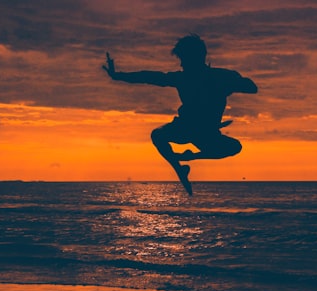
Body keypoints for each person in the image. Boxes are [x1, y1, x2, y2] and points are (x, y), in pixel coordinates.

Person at [103, 34, 258, 195]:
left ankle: (191, 157)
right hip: (185, 128)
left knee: (235, 147)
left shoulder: (219, 76)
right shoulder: (183, 78)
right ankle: (179, 167)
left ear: (197, 57)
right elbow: (149, 77)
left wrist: (232, 82)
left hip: (206, 134)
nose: (182, 64)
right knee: (157, 134)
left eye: (184, 59)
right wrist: (118, 75)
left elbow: (252, 87)